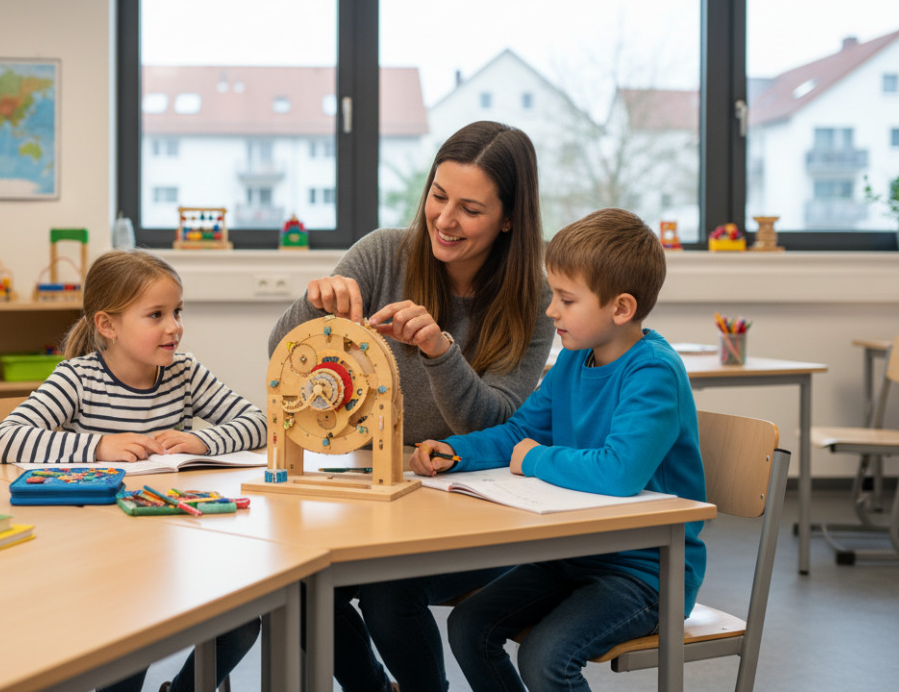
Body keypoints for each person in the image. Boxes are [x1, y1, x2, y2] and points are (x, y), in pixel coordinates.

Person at [268, 120, 556, 692]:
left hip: (477, 503)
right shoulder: (382, 253)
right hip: (383, 494)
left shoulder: (535, 294)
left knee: (387, 593)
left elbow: (491, 423)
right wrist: (312, 305)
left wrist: (438, 349)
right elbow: (282, 358)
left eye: (470, 209)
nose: (445, 220)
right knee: (291, 586)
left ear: (510, 218)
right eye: (439, 196)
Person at [410, 207, 707, 692]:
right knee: (468, 626)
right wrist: (454, 451)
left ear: (621, 308)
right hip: (575, 555)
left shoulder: (652, 373)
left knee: (547, 657)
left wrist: (535, 459)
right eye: (554, 295)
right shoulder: (573, 360)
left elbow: (619, 472)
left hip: (647, 573)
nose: (551, 311)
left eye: (566, 300)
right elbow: (516, 434)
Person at [0, 249, 265, 692]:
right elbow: (4, 438)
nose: (174, 327)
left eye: (177, 312)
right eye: (155, 315)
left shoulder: (184, 373)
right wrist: (98, 445)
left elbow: (260, 423)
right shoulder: (78, 379)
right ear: (107, 325)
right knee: (128, 645)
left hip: (177, 543)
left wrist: (201, 440)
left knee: (241, 625)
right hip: (101, 554)